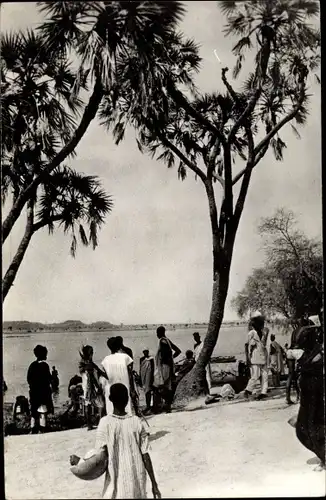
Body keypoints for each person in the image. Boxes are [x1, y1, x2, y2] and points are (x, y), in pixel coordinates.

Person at [70, 383, 161, 499]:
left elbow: (99, 457)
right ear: (127, 399)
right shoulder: (136, 422)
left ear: (110, 399)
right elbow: (145, 455)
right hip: (137, 478)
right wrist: (154, 484)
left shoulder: (105, 423)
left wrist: (80, 462)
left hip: (117, 480)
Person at [295, 318, 325, 470]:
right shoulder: (311, 351)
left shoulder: (317, 352)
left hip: (314, 394)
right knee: (303, 429)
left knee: (313, 427)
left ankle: (324, 458)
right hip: (308, 395)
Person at [102, 337, 136, 416]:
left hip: (111, 388)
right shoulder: (125, 357)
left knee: (112, 411)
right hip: (125, 386)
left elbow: (105, 375)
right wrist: (132, 389)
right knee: (126, 410)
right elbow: (130, 373)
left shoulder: (105, 360)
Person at [153, 326, 181, 413]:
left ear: (160, 333)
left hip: (164, 367)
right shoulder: (167, 340)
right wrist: (171, 360)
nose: (157, 334)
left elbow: (167, 354)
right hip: (168, 366)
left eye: (157, 333)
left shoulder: (162, 341)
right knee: (167, 386)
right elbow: (177, 351)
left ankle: (166, 405)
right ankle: (167, 405)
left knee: (159, 386)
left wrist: (166, 361)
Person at [27, 345, 54, 434]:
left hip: (34, 393)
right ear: (43, 355)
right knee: (43, 412)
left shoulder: (32, 365)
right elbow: (48, 379)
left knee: (34, 412)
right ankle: (42, 429)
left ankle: (32, 428)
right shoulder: (45, 366)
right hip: (43, 393)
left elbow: (29, 379)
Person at [79, 345, 107, 430]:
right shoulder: (90, 364)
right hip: (92, 388)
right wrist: (98, 387)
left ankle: (89, 425)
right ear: (90, 354)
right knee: (101, 405)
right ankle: (100, 423)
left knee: (87, 404)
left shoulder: (82, 364)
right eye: (92, 352)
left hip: (85, 388)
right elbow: (96, 374)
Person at [244, 311, 269, 400]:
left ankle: (263, 392)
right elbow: (246, 345)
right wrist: (247, 358)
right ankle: (248, 390)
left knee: (265, 375)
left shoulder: (263, 332)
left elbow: (264, 344)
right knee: (255, 375)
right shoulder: (252, 333)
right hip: (255, 357)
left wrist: (265, 335)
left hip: (263, 356)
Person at [140, 349, 154, 413]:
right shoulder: (141, 359)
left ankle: (149, 406)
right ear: (143, 352)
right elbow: (140, 368)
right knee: (145, 390)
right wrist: (140, 377)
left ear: (148, 352)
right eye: (144, 351)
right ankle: (147, 405)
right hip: (143, 376)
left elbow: (153, 368)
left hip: (149, 375)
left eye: (146, 351)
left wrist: (152, 377)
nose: (145, 353)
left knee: (148, 390)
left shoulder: (151, 359)